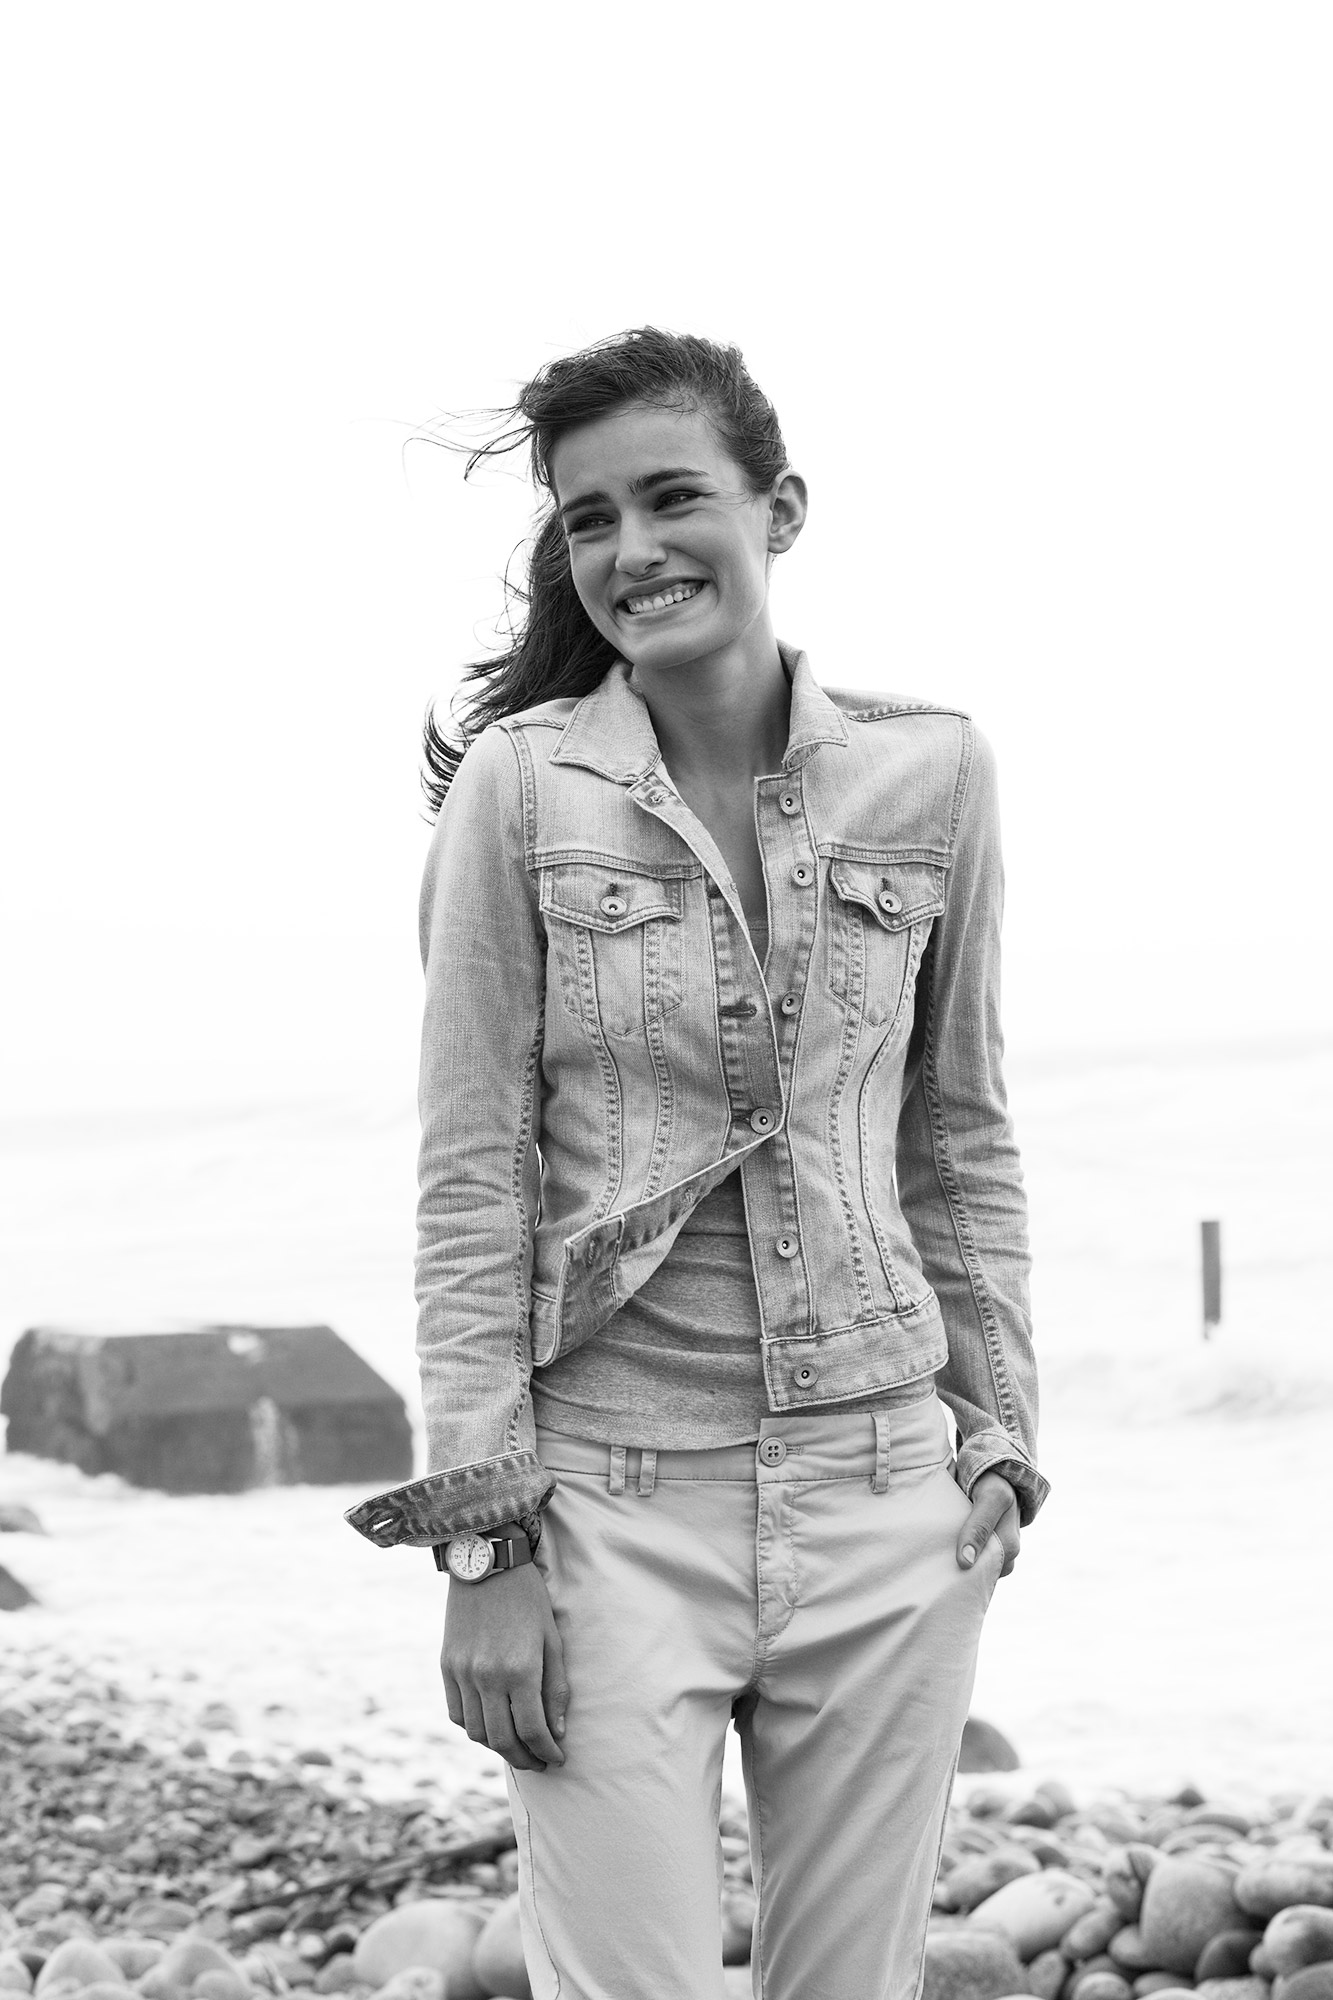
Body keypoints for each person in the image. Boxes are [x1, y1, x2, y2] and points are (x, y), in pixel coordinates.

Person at [347, 328, 1048, 2000]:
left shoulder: (934, 770)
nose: (631, 548)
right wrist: (485, 1547)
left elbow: (956, 1134)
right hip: (607, 1503)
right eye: (588, 517)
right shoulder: (522, 792)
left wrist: (1003, 1437)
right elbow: (471, 1184)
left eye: (672, 498)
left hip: (884, 1497)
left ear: (777, 509)